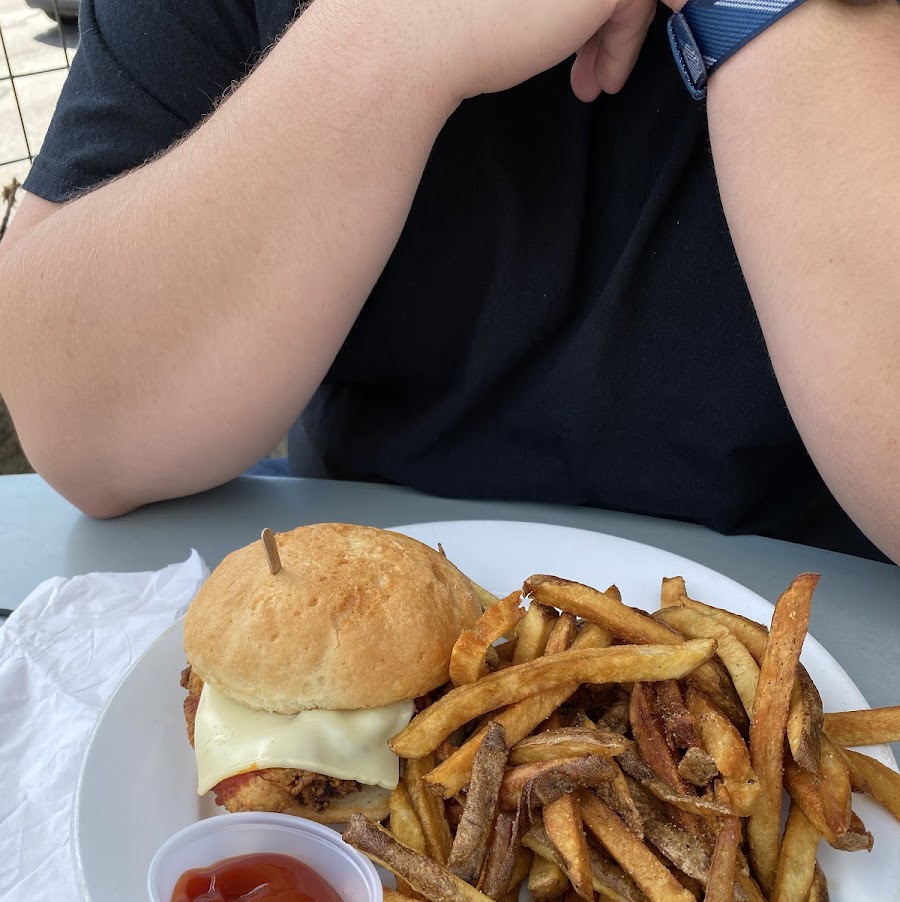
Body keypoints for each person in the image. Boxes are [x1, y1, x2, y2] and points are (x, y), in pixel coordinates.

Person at [0, 0, 897, 564]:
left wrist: (759, 10)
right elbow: (76, 425)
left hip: (823, 683)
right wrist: (387, 37)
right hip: (364, 634)